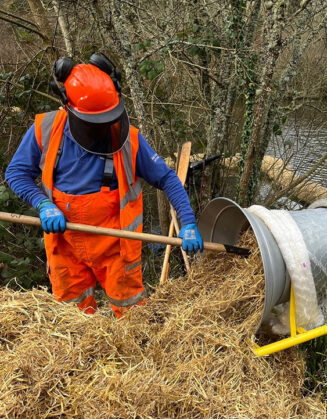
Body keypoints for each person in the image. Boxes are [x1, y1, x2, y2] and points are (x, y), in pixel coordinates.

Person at [5, 53, 203, 318]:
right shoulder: (46, 129)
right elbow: (16, 173)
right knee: (71, 319)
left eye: (107, 120)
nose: (102, 129)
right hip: (65, 244)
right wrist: (42, 204)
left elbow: (167, 178)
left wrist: (188, 223)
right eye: (93, 123)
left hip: (116, 246)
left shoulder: (128, 140)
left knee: (132, 316)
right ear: (69, 107)